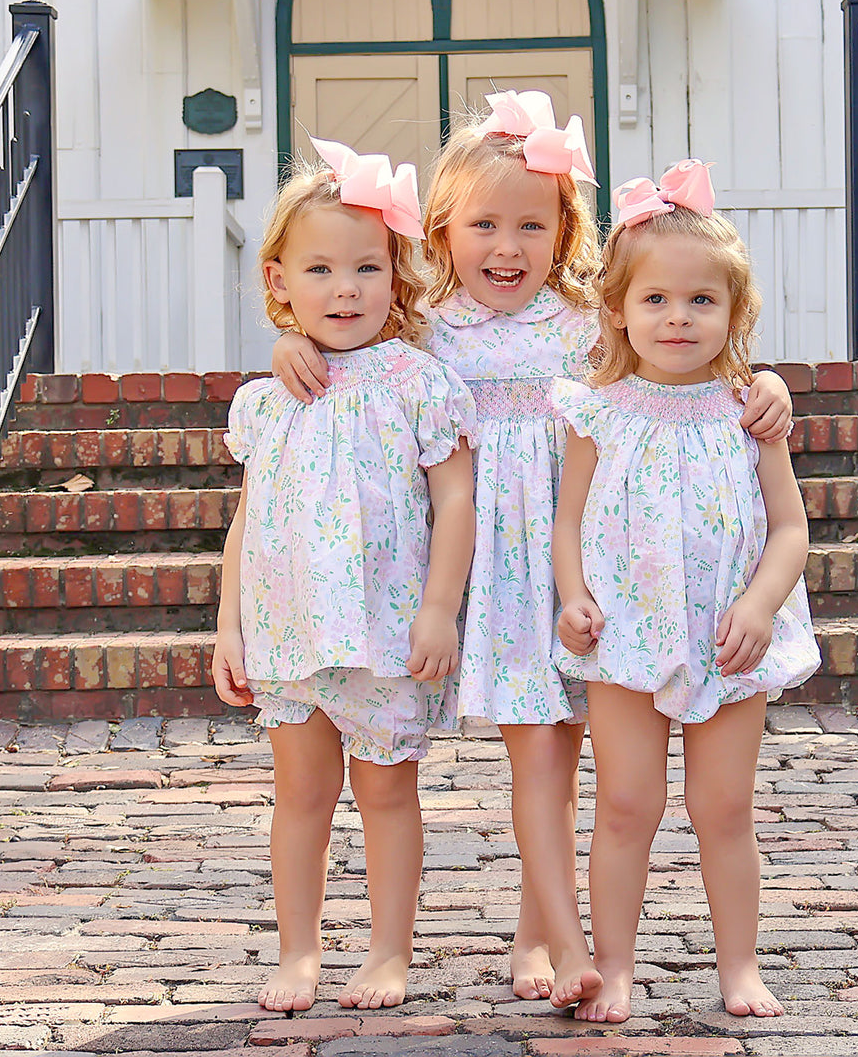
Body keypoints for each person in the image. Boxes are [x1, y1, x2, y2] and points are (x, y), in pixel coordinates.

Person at [273, 93, 795, 1011]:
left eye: (530, 223)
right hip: (489, 562)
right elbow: (343, 342)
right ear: (440, 231)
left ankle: (538, 936)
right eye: (483, 224)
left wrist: (773, 382)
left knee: (582, 749)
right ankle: (564, 934)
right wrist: (286, 348)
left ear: (566, 230)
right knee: (534, 753)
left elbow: (688, 343)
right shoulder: (424, 324)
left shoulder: (589, 321)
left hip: (596, 560)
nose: (505, 247)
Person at [552, 161, 821, 1023]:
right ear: (619, 311)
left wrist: (759, 605)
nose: (677, 318)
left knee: (723, 807)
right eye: (656, 300)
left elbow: (790, 529)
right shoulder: (598, 411)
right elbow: (569, 524)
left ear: (734, 314)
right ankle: (619, 968)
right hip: (623, 636)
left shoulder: (749, 408)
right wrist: (572, 595)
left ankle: (739, 967)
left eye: (701, 301)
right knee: (627, 804)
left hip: (726, 636)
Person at [212, 138, 477, 1014]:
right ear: (280, 281)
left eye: (366, 267)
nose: (345, 288)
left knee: (386, 793)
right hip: (290, 632)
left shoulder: (418, 381)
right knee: (301, 796)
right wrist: (229, 626)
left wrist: (440, 609)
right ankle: (297, 953)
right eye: (320, 269)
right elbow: (249, 519)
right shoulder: (267, 395)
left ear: (396, 279)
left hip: (385, 629)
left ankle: (389, 952)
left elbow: (456, 501)